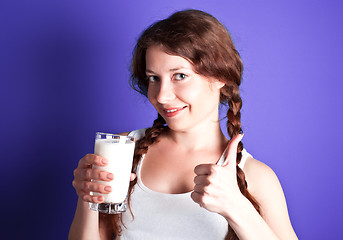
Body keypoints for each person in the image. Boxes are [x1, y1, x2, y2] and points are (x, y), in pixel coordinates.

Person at [69, 9, 298, 240]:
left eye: (179, 75)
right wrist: (87, 197)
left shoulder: (256, 176)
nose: (162, 96)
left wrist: (236, 207)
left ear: (220, 76)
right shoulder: (122, 152)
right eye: (153, 78)